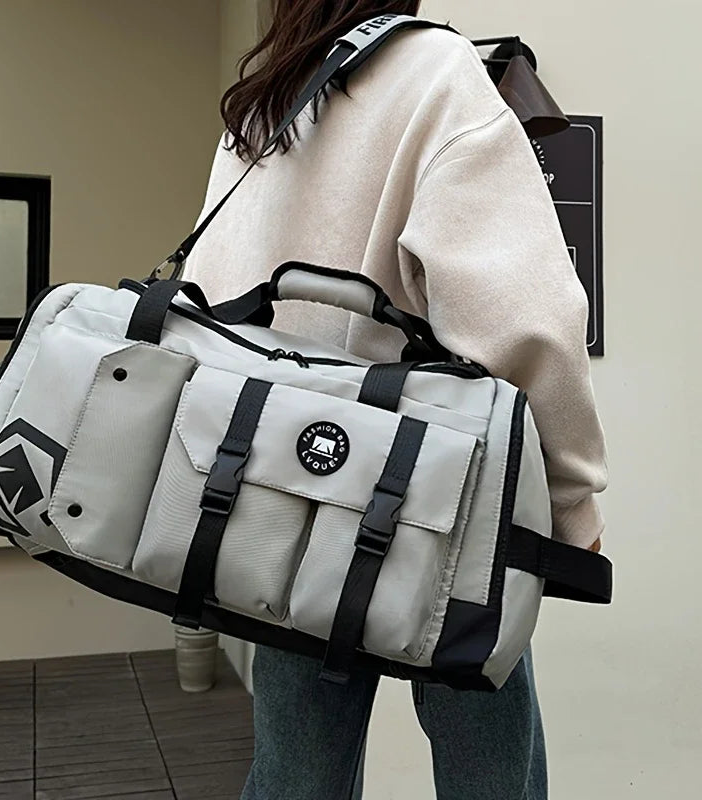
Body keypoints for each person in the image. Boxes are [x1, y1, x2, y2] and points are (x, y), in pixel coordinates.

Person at [182, 2, 608, 798]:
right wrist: (570, 502)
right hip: (441, 504)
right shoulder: (436, 72)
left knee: (296, 773)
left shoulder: (265, 106)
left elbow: (212, 306)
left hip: (283, 497)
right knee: (489, 774)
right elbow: (526, 323)